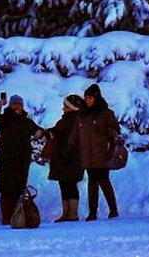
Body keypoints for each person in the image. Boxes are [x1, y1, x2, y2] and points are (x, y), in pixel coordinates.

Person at [0, 93, 45, 224]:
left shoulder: (27, 121)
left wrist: (40, 133)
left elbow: (38, 130)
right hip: (6, 158)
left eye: (19, 104)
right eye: (15, 103)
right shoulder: (5, 119)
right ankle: (6, 217)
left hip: (22, 159)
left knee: (19, 188)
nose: (17, 106)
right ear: (10, 105)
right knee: (6, 188)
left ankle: (17, 216)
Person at [69, 83, 120, 220]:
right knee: (92, 183)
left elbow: (115, 131)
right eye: (86, 97)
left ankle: (113, 209)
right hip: (87, 155)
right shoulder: (82, 115)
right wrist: (71, 146)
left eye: (90, 97)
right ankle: (92, 212)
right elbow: (75, 133)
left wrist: (103, 130)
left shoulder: (106, 113)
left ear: (96, 98)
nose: (87, 100)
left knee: (103, 181)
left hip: (103, 153)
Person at [47, 94, 85, 222]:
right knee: (64, 184)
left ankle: (72, 213)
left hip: (70, 157)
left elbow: (68, 138)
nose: (63, 108)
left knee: (70, 184)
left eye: (66, 106)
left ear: (72, 108)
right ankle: (67, 213)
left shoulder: (75, 121)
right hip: (64, 157)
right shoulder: (66, 120)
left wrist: (54, 135)